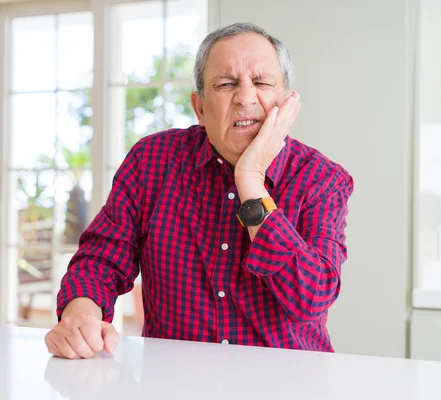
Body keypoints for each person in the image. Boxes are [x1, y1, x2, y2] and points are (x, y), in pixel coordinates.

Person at [44, 22, 354, 359]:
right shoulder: (152, 162)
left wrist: (250, 182)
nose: (246, 97)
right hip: (173, 383)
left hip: (290, 385)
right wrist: (80, 314)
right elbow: (101, 262)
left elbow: (310, 297)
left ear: (285, 102)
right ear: (200, 108)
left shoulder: (322, 179)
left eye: (263, 82)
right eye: (226, 84)